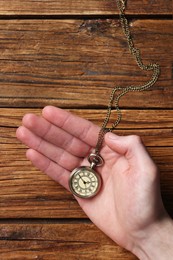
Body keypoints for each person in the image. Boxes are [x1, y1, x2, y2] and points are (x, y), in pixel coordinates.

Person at [16, 105, 173, 259]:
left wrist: (149, 232)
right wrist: (151, 236)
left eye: (85, 182)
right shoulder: (85, 173)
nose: (84, 183)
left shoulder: (91, 175)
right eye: (84, 182)